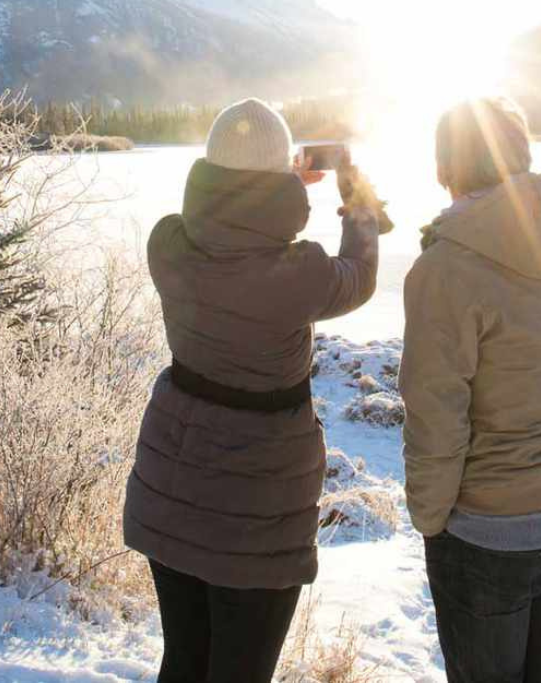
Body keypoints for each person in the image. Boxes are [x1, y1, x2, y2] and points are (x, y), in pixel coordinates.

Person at [123, 98, 389, 683]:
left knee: (186, 662)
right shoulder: (297, 274)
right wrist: (360, 207)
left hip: (171, 490)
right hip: (256, 513)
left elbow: (222, 228)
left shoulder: (167, 246)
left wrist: (274, 183)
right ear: (275, 179)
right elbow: (360, 274)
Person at [399, 97, 541, 683]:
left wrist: (430, 519)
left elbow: (436, 411)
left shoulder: (446, 269)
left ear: (446, 167)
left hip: (485, 531)